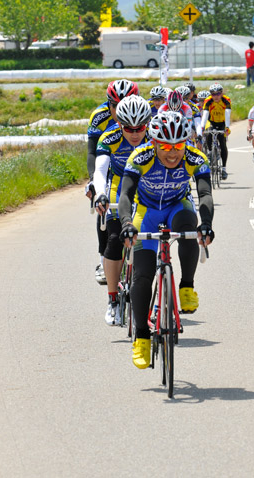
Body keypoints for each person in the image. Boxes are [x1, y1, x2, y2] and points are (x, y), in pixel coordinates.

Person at [118, 112, 215, 369]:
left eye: (178, 146)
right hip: (145, 214)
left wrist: (206, 224)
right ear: (154, 143)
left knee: (189, 227)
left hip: (176, 208)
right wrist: (127, 224)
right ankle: (141, 337)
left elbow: (204, 193)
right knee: (142, 276)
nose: (172, 153)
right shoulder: (140, 158)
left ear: (186, 142)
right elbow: (125, 194)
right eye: (165, 147)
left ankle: (186, 286)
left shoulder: (195, 158)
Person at [93, 95, 152, 326]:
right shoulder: (110, 137)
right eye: (129, 128)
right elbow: (100, 170)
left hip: (147, 187)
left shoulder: (155, 136)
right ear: (120, 124)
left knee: (152, 240)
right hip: (119, 188)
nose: (135, 133)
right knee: (116, 239)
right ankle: (113, 300)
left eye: (140, 128)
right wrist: (100, 193)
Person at [86, 79, 139, 286]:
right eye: (116, 105)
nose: (122, 109)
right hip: (109, 166)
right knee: (105, 208)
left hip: (136, 166)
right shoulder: (99, 118)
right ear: (109, 104)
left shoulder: (145, 115)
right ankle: (103, 258)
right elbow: (92, 152)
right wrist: (93, 182)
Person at [201, 83, 232, 180]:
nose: (216, 96)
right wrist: (202, 127)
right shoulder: (208, 101)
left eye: (218, 94)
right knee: (208, 134)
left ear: (221, 93)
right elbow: (205, 114)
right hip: (212, 122)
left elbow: (227, 114)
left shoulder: (226, 100)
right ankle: (210, 153)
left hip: (223, 123)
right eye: (213, 94)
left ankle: (223, 169)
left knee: (222, 143)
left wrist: (227, 127)